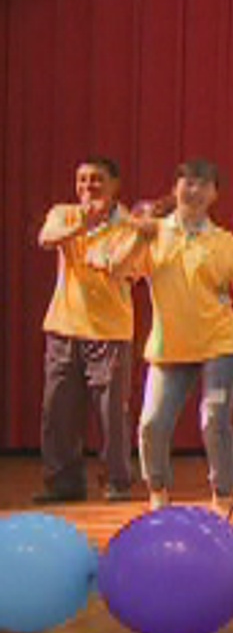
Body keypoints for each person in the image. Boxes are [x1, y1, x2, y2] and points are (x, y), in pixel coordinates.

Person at [112, 159, 233, 518]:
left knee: (213, 419)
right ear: (175, 188)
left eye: (203, 184)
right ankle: (158, 491)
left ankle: (222, 496)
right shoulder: (154, 232)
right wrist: (137, 237)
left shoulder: (225, 242)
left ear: (214, 194)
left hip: (220, 345)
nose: (194, 191)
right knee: (152, 423)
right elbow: (117, 270)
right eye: (188, 182)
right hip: (168, 347)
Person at [36, 156, 137, 503]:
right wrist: (83, 223)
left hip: (110, 332)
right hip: (64, 326)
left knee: (112, 414)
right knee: (57, 411)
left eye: (96, 179)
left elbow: (129, 268)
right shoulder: (64, 213)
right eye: (82, 179)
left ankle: (117, 481)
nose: (88, 186)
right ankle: (63, 483)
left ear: (114, 185)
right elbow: (47, 239)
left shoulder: (129, 224)